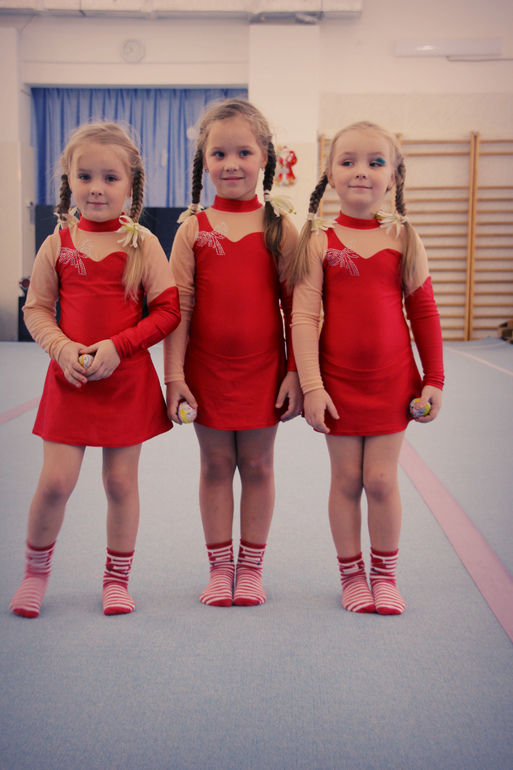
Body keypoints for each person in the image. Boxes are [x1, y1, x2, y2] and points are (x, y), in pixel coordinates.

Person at [10, 122, 181, 618]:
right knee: (55, 483)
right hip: (71, 382)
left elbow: (168, 311)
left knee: (121, 484)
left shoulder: (143, 243)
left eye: (110, 178)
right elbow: (37, 310)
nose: (97, 188)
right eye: (85, 177)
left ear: (131, 185)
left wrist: (118, 347)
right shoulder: (58, 243)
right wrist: (62, 349)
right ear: (69, 180)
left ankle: (116, 580)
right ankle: (35, 575)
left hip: (124, 382)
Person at [287, 121, 444, 615]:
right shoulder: (319, 238)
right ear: (330, 174)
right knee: (346, 481)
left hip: (393, 383)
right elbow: (304, 316)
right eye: (348, 161)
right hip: (337, 383)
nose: (361, 171)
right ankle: (352, 575)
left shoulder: (404, 237)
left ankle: (386, 576)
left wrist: (434, 379)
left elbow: (424, 312)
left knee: (380, 480)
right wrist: (312, 386)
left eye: (376, 163)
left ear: (393, 176)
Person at [164, 98, 302, 607]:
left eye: (244, 152)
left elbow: (298, 309)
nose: (231, 164)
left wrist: (296, 373)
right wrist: (173, 377)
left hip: (265, 370)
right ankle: (220, 568)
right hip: (206, 371)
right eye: (219, 154)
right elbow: (179, 308)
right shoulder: (193, 229)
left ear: (264, 155)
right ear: (205, 161)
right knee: (216, 466)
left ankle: (252, 568)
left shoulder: (279, 227)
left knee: (259, 466)